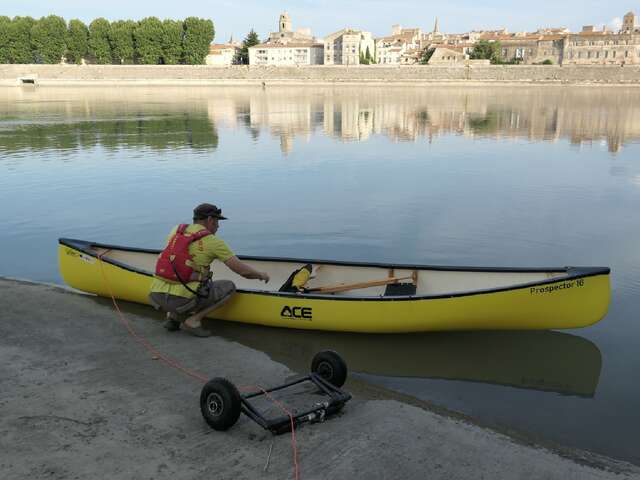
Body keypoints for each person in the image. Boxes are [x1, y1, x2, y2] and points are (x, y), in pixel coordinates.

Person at [149, 203, 269, 337]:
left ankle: (172, 319)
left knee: (184, 273)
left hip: (156, 297)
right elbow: (244, 272)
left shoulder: (176, 230)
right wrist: (261, 274)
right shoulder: (213, 242)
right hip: (182, 301)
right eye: (217, 221)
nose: (218, 226)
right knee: (228, 287)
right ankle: (193, 321)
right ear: (210, 220)